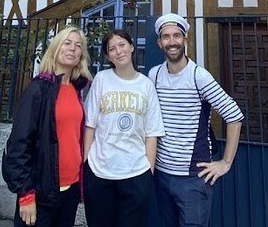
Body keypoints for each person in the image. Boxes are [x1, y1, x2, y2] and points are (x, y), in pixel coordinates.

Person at [148, 13, 244, 227]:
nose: (171, 42)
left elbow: (234, 115)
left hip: (193, 177)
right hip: (162, 174)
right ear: (159, 42)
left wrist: (226, 163)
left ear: (185, 40)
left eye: (176, 36)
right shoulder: (154, 75)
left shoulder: (198, 76)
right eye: (166, 37)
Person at [2, 26, 92, 227]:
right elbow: (19, 144)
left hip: (70, 190)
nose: (73, 49)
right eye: (67, 43)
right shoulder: (39, 88)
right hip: (41, 192)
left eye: (78, 46)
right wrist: (25, 194)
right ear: (56, 48)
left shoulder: (77, 90)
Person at [83, 29, 166, 227]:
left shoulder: (146, 85)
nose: (118, 51)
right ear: (108, 55)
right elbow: (90, 125)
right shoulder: (101, 80)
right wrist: (86, 162)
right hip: (99, 171)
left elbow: (152, 133)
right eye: (112, 49)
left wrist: (148, 172)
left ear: (132, 47)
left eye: (122, 45)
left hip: (136, 172)